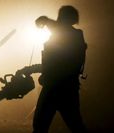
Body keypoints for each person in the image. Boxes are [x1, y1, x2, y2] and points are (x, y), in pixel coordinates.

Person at [17, 5, 87, 133]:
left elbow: (55, 65)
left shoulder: (70, 36)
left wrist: (45, 20)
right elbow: (53, 64)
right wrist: (29, 69)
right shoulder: (75, 36)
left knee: (41, 127)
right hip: (67, 89)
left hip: (54, 89)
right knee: (75, 126)